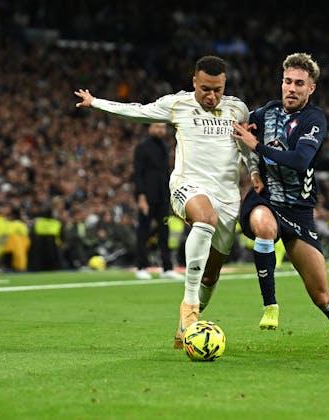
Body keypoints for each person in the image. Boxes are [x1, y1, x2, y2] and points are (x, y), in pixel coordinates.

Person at [74, 55, 260, 348]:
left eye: (218, 90)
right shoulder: (177, 104)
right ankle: (189, 306)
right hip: (189, 185)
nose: (211, 96)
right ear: (194, 82)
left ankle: (184, 329)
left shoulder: (238, 109)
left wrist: (255, 173)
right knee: (205, 219)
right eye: (205, 89)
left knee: (211, 274)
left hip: (227, 195)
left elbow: (245, 147)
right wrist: (96, 102)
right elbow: (137, 111)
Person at [228, 52, 329, 355]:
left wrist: (257, 146)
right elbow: (238, 131)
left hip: (299, 210)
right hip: (265, 199)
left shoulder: (314, 120)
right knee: (264, 226)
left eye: (299, 83)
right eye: (287, 81)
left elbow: (301, 160)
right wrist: (252, 163)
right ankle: (270, 305)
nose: (291, 88)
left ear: (311, 88)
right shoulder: (265, 113)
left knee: (321, 295)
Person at [133, 122, 182, 280]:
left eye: (162, 127)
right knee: (143, 231)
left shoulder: (164, 146)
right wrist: (141, 197)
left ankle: (167, 268)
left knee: (164, 231)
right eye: (157, 127)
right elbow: (138, 173)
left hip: (162, 196)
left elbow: (165, 173)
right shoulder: (142, 147)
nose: (160, 130)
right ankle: (141, 267)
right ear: (150, 128)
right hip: (148, 196)